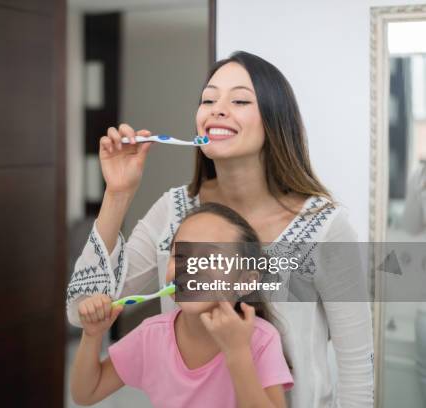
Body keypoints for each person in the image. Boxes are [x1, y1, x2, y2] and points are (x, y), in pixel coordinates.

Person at [66, 51, 374, 406]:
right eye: (208, 99)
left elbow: (357, 370)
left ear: (276, 121)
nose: (217, 109)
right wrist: (117, 195)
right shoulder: (172, 211)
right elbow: (80, 310)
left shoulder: (325, 228)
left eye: (240, 100)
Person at [70, 203, 293, 407]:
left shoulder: (261, 340)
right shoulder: (151, 336)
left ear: (246, 281)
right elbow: (86, 393)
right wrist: (92, 336)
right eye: (181, 257)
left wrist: (237, 353)